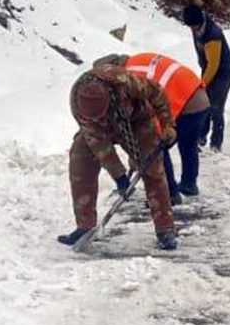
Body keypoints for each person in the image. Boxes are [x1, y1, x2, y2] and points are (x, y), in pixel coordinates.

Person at [58, 65, 178, 250]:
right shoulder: (78, 104)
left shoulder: (123, 82)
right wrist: (120, 177)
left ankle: (165, 229)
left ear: (107, 99)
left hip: (137, 122)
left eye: (101, 115)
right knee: (80, 159)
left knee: (153, 169)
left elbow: (156, 92)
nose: (99, 119)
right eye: (95, 118)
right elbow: (99, 144)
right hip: (99, 134)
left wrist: (168, 124)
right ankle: (85, 226)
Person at [94, 53, 210, 203]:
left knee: (157, 147)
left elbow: (149, 109)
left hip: (185, 102)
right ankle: (189, 184)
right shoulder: (137, 61)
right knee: (188, 146)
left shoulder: (131, 74)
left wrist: (145, 146)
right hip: (199, 97)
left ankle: (169, 194)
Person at [182, 4, 230, 151]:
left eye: (193, 26)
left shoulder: (213, 34)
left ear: (199, 22)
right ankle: (200, 136)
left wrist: (202, 84)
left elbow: (214, 64)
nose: (191, 29)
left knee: (216, 108)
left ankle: (216, 143)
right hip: (208, 70)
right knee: (203, 105)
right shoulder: (198, 27)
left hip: (223, 74)